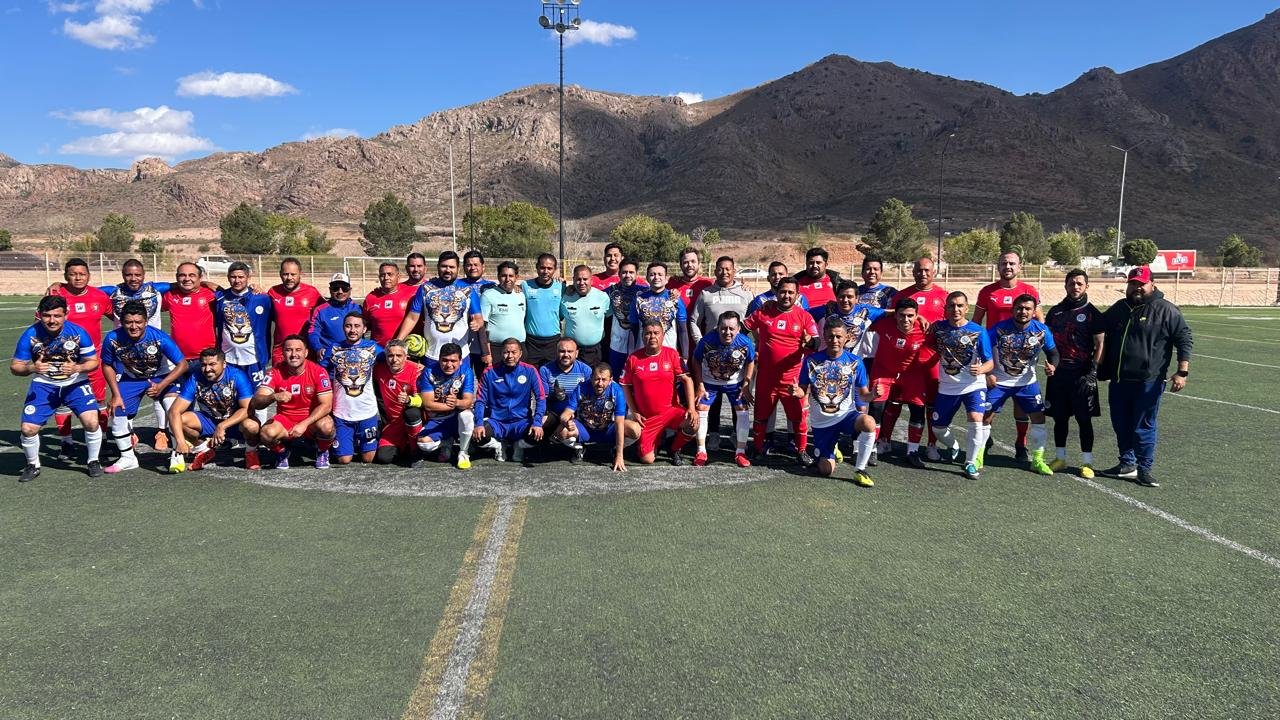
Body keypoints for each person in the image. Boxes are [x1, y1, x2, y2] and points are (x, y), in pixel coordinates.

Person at [1098, 266, 1193, 488]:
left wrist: (1182, 371)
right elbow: (1098, 326)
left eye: (1141, 283)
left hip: (1148, 381)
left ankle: (1145, 468)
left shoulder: (1166, 310)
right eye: (1133, 283)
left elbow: (1184, 338)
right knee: (1121, 424)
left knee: (1144, 426)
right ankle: (1126, 464)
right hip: (1120, 380)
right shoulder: (1119, 308)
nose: (1137, 288)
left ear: (1152, 284)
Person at [11, 295, 104, 481]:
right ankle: (32, 465)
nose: (52, 320)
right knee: (28, 429)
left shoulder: (78, 333)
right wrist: (31, 368)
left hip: (76, 383)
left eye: (57, 315)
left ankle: (93, 461)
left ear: (66, 315)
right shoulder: (30, 335)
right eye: (47, 315)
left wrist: (77, 368)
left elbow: (93, 361)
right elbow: (15, 366)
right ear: (39, 315)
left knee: (92, 422)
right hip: (44, 385)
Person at [100, 301, 188, 473]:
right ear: (122, 322)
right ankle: (128, 458)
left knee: (173, 410)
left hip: (163, 377)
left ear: (146, 321)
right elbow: (107, 365)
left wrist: (161, 385)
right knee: (117, 412)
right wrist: (115, 394)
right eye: (128, 322)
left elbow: (182, 364)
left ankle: (177, 455)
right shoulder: (112, 338)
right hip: (132, 378)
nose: (134, 327)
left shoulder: (159, 338)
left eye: (138, 322)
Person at [974, 250, 1041, 461]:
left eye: (1012, 263)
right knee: (989, 405)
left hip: (1022, 356)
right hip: (994, 356)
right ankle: (985, 441)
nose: (1008, 267)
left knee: (1022, 404)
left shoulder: (1029, 290)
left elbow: (1040, 322)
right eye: (1004, 263)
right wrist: (978, 357)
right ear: (998, 266)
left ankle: (1021, 445)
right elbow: (976, 324)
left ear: (1019, 266)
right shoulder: (987, 292)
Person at [985, 294, 1059, 476]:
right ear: (1013, 310)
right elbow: (982, 349)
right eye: (1019, 308)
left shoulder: (1041, 330)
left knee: (1039, 419)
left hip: (1027, 383)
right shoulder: (999, 329)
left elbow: (1053, 353)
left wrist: (1053, 366)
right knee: (984, 417)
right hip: (1000, 382)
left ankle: (1038, 460)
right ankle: (977, 456)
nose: (1023, 312)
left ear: (1034, 312)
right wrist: (988, 373)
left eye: (1027, 309)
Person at [882, 257, 949, 459]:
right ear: (913, 271)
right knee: (894, 400)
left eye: (927, 270)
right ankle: (884, 440)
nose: (923, 273)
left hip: (931, 360)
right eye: (919, 270)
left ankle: (931, 444)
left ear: (934, 271)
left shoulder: (943, 296)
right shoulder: (901, 296)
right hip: (902, 358)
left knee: (931, 403)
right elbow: (891, 323)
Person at [744, 277, 817, 463]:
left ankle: (801, 451)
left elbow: (816, 343)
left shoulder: (804, 316)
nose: (786, 295)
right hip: (766, 378)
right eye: (783, 291)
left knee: (798, 418)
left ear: (797, 295)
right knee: (761, 417)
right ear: (776, 292)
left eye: (791, 292)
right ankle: (758, 449)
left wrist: (809, 341)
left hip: (792, 380)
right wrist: (748, 351)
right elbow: (742, 329)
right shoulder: (764, 311)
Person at [48, 258, 113, 459]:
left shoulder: (99, 296)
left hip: (93, 359)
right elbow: (42, 322)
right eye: (73, 274)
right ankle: (66, 442)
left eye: (82, 274)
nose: (78, 277)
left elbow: (117, 319)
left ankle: (101, 439)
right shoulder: (56, 295)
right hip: (62, 359)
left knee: (99, 399)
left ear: (88, 276)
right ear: (66, 276)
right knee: (62, 402)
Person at [796, 322, 876, 486]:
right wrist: (796, 392)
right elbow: (803, 391)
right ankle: (830, 449)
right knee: (825, 471)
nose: (835, 340)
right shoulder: (812, 360)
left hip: (846, 415)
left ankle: (860, 469)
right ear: (824, 336)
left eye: (839, 336)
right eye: (831, 336)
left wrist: (873, 394)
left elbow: (864, 395)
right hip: (822, 423)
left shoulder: (856, 362)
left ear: (846, 338)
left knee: (869, 422)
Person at [1043, 269, 1105, 478]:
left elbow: (1100, 343)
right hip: (1059, 375)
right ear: (1066, 285)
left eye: (1080, 283)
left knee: (1084, 419)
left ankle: (1087, 462)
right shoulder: (1055, 312)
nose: (1075, 287)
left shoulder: (1092, 313)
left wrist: (1093, 372)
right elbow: (1046, 341)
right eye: (1072, 283)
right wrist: (1049, 364)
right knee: (1060, 419)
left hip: (1082, 375)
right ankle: (1060, 458)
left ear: (1087, 286)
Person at [927, 291, 994, 480]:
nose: (955, 309)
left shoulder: (978, 331)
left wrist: (981, 370)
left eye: (959, 306)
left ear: (966, 308)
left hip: (973, 385)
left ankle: (971, 462)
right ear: (945, 309)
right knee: (938, 428)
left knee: (975, 418)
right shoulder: (938, 329)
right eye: (951, 305)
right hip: (947, 387)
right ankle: (954, 445)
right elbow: (927, 345)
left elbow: (990, 363)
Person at [689, 256, 753, 450]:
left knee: (738, 395)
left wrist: (748, 345)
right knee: (712, 397)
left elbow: (754, 321)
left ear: (734, 270)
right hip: (713, 356)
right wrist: (703, 344)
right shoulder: (706, 293)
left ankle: (736, 435)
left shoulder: (745, 293)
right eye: (720, 269)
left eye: (728, 269)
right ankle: (714, 434)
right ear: (715, 271)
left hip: (737, 357)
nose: (724, 272)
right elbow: (694, 320)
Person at [249, 334, 336, 470]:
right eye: (289, 350)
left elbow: (326, 405)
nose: (293, 354)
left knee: (327, 426)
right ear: (283, 352)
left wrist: (304, 424)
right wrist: (273, 397)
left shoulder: (318, 372)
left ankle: (322, 451)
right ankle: (282, 452)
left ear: (306, 353)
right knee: (266, 433)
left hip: (310, 420)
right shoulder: (274, 372)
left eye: (298, 350)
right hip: (286, 420)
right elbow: (256, 402)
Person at [621, 320, 698, 465]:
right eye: (648, 333)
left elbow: (688, 380)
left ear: (663, 336)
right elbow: (625, 385)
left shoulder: (673, 355)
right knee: (647, 459)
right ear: (643, 336)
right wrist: (634, 411)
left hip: (670, 412)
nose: (652, 337)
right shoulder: (633, 358)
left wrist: (691, 408)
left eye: (656, 333)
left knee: (693, 422)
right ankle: (657, 440)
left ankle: (674, 448)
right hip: (647, 419)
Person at [168, 348, 255, 472]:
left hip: (235, 423)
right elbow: (174, 411)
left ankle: (251, 452)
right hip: (210, 420)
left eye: (212, 364)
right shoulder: (195, 378)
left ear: (224, 364)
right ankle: (202, 449)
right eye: (203, 365)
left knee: (252, 426)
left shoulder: (237, 376)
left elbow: (248, 409)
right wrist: (181, 441)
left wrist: (223, 426)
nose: (207, 369)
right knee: (180, 420)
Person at [868, 297, 931, 468]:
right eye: (902, 315)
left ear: (917, 316)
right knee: (876, 408)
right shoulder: (883, 324)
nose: (906, 319)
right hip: (883, 372)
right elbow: (863, 314)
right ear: (895, 315)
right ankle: (872, 448)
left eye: (911, 316)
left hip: (912, 375)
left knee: (918, 409)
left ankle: (912, 451)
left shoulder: (925, 329)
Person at [690, 311, 756, 467]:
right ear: (717, 328)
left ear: (738, 328)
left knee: (743, 409)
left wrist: (746, 384)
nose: (728, 332)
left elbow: (751, 361)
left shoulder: (745, 342)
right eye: (724, 328)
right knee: (701, 407)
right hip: (710, 381)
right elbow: (696, 360)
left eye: (731, 329)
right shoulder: (707, 341)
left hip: (734, 382)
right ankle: (701, 451)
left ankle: (740, 452)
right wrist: (700, 385)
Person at [395, 251, 484, 362]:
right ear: (438, 267)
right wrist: (398, 341)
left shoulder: (469, 290)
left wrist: (477, 324)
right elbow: (412, 318)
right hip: (431, 354)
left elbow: (479, 318)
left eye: (451, 267)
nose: (447, 270)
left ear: (458, 269)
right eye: (444, 266)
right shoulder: (425, 288)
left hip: (460, 356)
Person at [472, 338, 547, 464]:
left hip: (521, 422)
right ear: (501, 353)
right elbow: (480, 401)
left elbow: (541, 397)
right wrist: (478, 423)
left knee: (538, 436)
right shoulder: (489, 372)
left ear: (520, 354)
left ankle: (519, 445)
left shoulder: (530, 370)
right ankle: (498, 445)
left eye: (514, 352)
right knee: (478, 438)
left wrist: (537, 422)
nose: (510, 356)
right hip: (497, 422)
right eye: (506, 352)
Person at [555, 363, 641, 470]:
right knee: (562, 431)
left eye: (604, 380)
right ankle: (580, 448)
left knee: (635, 429)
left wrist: (620, 456)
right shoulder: (581, 387)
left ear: (610, 380)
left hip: (608, 429)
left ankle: (615, 449)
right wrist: (566, 421)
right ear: (591, 378)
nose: (600, 383)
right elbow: (566, 413)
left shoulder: (617, 391)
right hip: (585, 429)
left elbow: (619, 423)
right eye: (597, 379)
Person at [324, 312, 383, 465]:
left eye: (357, 326)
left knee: (368, 459)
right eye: (348, 326)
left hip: (367, 412)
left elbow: (394, 360)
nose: (352, 330)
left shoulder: (373, 348)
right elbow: (320, 372)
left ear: (364, 329)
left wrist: (415, 366)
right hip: (342, 413)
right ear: (343, 328)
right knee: (344, 460)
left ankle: (370, 433)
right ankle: (344, 442)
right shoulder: (334, 348)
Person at [214, 262, 273, 397]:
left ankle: (259, 420)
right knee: (230, 397)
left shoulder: (262, 298)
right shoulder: (220, 298)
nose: (237, 280)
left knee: (259, 397)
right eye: (233, 277)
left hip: (254, 359)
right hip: (228, 360)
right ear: (228, 277)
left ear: (248, 277)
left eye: (241, 277)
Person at [415, 342, 478, 469]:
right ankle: (447, 442)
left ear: (460, 361)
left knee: (466, 415)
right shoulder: (429, 372)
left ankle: (463, 452)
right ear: (439, 359)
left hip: (458, 417)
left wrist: (457, 403)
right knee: (423, 444)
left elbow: (468, 401)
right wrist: (452, 406)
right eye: (445, 360)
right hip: (439, 419)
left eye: (453, 361)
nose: (449, 365)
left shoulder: (466, 371)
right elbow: (428, 404)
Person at [372, 339, 426, 466]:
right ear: (385, 357)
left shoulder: (416, 371)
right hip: (393, 424)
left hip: (412, 420)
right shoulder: (378, 370)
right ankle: (404, 446)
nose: (394, 359)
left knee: (411, 413)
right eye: (390, 355)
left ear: (406, 357)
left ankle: (415, 451)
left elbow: (424, 400)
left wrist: (409, 400)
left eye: (399, 356)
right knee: (383, 458)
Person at [267, 257, 324, 364]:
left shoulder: (312, 292)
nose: (289, 278)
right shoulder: (273, 292)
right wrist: (255, 288)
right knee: (280, 380)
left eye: (293, 274)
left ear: (300, 274)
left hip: (306, 351)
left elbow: (326, 312)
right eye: (285, 274)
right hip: (281, 352)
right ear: (280, 274)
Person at [539, 338, 594, 448]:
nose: (566, 354)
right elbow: (542, 398)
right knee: (538, 423)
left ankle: (579, 447)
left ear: (576, 353)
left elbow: (590, 398)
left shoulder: (586, 370)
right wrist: (554, 395)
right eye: (562, 351)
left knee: (569, 434)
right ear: (556, 352)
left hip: (577, 414)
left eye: (570, 351)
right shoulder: (545, 370)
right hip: (554, 412)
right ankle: (541, 444)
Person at [630, 262, 687, 353]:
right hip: (643, 354)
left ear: (666, 278)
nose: (656, 277)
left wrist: (685, 356)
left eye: (660, 274)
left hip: (668, 354)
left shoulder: (675, 299)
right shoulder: (638, 300)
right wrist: (630, 354)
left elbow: (683, 330)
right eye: (652, 274)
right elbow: (633, 330)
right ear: (647, 278)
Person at [559, 265, 610, 367]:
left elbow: (610, 319)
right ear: (573, 280)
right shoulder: (565, 298)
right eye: (578, 279)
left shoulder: (602, 297)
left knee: (594, 380)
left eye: (585, 279)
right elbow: (558, 318)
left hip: (596, 350)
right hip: (572, 351)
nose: (582, 283)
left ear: (591, 280)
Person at [522, 253, 565, 367]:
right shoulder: (525, 286)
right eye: (542, 267)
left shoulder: (561, 287)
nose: (545, 271)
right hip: (532, 342)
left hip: (553, 341)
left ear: (555, 269)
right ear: (537, 267)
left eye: (549, 268)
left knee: (552, 377)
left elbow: (561, 314)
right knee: (532, 377)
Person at [605, 259, 646, 376]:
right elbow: (590, 294)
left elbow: (662, 292)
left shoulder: (644, 291)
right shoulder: (611, 291)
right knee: (617, 377)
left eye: (631, 272)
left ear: (636, 274)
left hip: (639, 344)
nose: (627, 275)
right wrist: (570, 288)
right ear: (619, 274)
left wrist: (673, 292)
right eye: (624, 272)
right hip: (617, 344)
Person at [309, 273, 361, 363]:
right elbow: (313, 332)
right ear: (330, 290)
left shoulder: (359, 309)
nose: (340, 291)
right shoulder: (320, 311)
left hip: (355, 359)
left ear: (350, 290)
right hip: (330, 360)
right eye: (335, 288)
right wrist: (318, 348)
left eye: (344, 288)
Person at [481, 261, 527, 359]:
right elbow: (482, 327)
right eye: (504, 275)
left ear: (516, 277)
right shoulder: (488, 295)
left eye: (511, 276)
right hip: (497, 349)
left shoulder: (521, 295)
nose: (507, 279)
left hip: (519, 347)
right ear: (498, 277)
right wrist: (486, 352)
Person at [362, 262, 416, 345]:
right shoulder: (371, 298)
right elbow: (365, 325)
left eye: (390, 274)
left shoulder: (411, 294)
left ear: (398, 277)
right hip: (378, 351)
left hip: (402, 350)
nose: (386, 278)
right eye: (382, 275)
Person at [461, 250, 497, 375]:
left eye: (476, 264)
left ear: (483, 266)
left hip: (484, 341)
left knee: (486, 379)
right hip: (462, 341)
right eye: (469, 265)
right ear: (464, 267)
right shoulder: (457, 285)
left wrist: (516, 287)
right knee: (462, 378)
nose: (473, 268)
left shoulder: (492, 287)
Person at [793, 247, 841, 312]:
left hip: (829, 319)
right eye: (811, 262)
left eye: (818, 263)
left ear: (826, 264)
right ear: (806, 264)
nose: (814, 265)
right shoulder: (794, 284)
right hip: (804, 319)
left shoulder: (837, 283)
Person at [668, 247, 714, 314]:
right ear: (680, 265)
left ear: (699, 264)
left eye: (693, 261)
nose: (689, 265)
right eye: (685, 262)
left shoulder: (708, 284)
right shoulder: (672, 283)